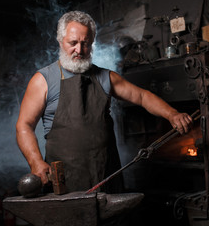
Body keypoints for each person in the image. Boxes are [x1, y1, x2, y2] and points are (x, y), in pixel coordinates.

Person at [16, 10, 192, 193]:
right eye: (73, 43)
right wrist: (35, 161)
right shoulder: (43, 80)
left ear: (91, 44)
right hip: (64, 184)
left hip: (106, 177)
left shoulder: (105, 77)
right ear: (61, 42)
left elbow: (142, 96)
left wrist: (172, 114)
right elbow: (24, 126)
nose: (79, 50)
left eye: (85, 44)